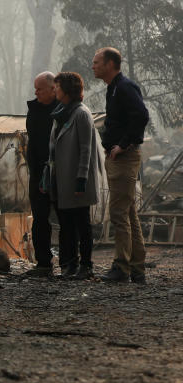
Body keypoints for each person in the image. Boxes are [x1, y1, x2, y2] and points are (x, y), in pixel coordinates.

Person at [92, 47, 149, 283]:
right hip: (117, 157)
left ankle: (122, 267)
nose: (93, 65)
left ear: (110, 64)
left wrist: (123, 145)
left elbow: (141, 115)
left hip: (123, 158)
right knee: (129, 213)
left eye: (97, 62)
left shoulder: (124, 87)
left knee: (118, 213)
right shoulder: (113, 89)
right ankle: (137, 268)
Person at [45, 72, 103, 279]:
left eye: (58, 87)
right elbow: (52, 148)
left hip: (77, 180)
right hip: (61, 179)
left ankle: (86, 266)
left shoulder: (81, 113)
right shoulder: (60, 113)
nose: (55, 90)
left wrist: (81, 180)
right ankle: (70, 264)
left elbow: (86, 149)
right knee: (66, 224)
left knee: (82, 224)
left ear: (68, 89)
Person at [24, 72, 60, 277]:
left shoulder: (64, 109)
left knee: (66, 217)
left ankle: (72, 262)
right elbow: (33, 145)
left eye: (39, 89)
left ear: (53, 88)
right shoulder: (34, 110)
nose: (35, 92)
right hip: (38, 173)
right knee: (39, 219)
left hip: (60, 172)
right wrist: (36, 174)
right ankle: (43, 263)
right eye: (35, 88)